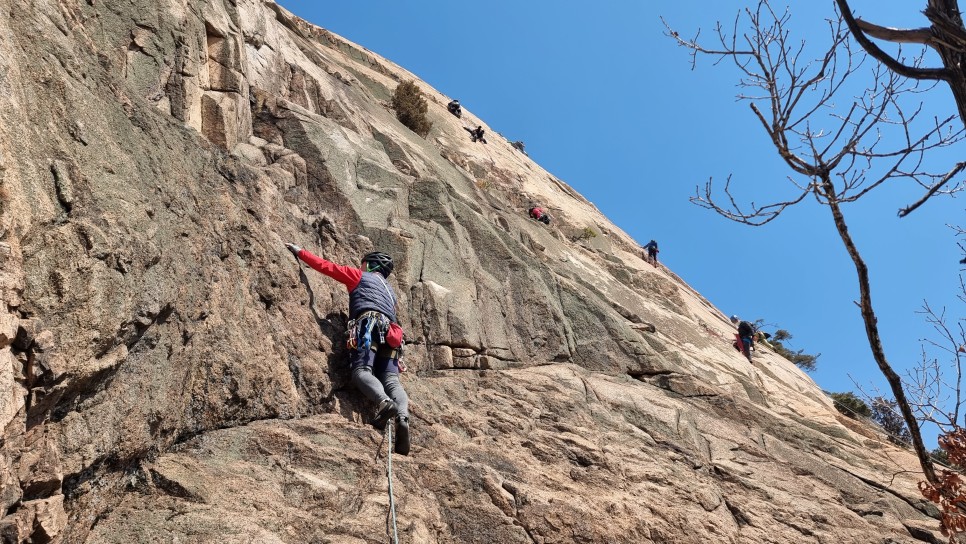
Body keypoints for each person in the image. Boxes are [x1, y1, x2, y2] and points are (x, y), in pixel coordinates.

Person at [285, 243, 411, 455]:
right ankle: (402, 415)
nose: (360, 267)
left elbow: (327, 267)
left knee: (361, 371)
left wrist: (300, 252)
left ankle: (384, 403)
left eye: (363, 265)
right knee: (392, 381)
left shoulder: (360, 276)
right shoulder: (390, 292)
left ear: (370, 266)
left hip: (368, 327)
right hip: (391, 335)